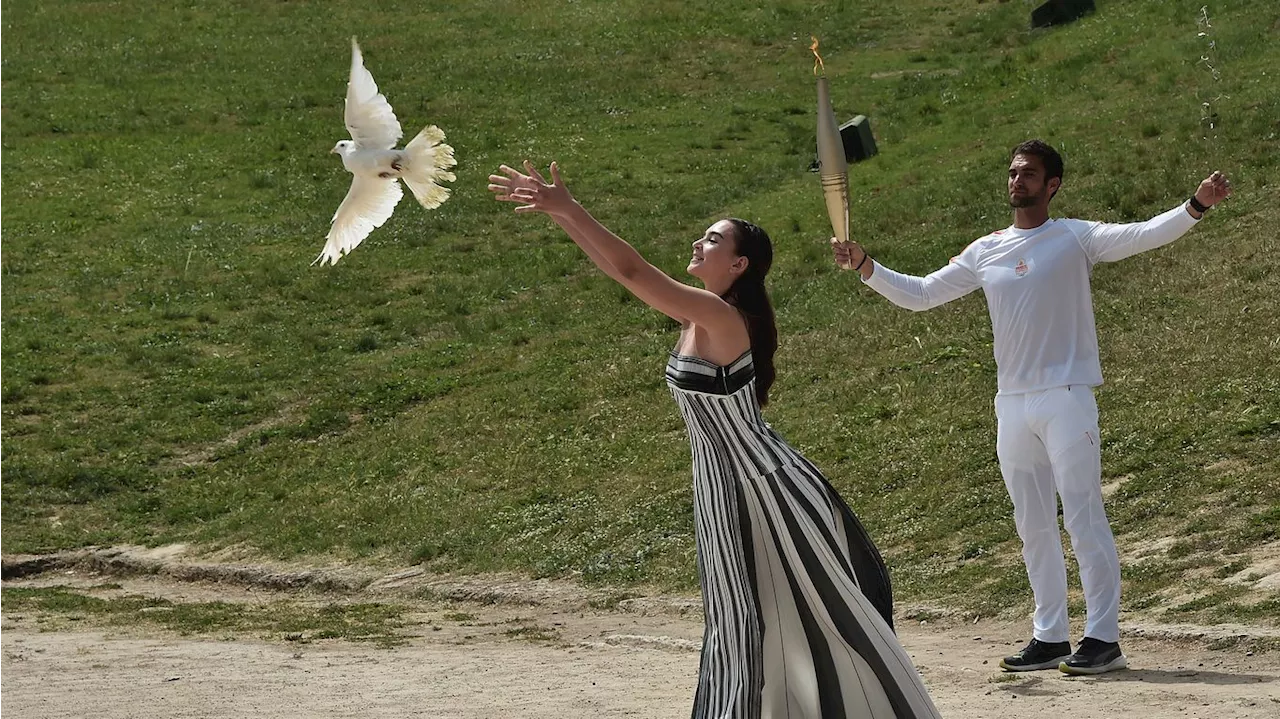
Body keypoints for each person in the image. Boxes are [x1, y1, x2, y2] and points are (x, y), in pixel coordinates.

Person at [491, 161, 942, 718]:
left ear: (739, 263)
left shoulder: (715, 313)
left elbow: (632, 271)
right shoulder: (697, 314)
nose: (699, 243)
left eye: (713, 239)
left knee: (789, 618)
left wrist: (568, 208)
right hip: (724, 487)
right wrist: (562, 215)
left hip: (758, 490)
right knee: (746, 620)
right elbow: (621, 273)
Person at [832, 140, 1232, 676]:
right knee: (1033, 523)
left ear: (1053, 186)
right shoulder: (985, 249)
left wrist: (1196, 206)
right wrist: (866, 265)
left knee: (1083, 515)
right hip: (1012, 403)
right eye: (1014, 172)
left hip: (1067, 396)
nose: (1017, 181)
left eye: (1030, 174)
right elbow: (923, 293)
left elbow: (1143, 234)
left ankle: (1103, 637)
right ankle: (1050, 636)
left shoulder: (1074, 237)